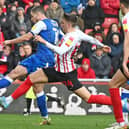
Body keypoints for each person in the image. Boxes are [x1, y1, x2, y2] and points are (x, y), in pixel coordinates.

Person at [0, 14, 114, 126]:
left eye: (63, 23)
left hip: (66, 74)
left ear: (68, 24)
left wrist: (44, 42)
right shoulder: (77, 33)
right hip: (57, 69)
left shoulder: (71, 37)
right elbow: (90, 39)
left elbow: (60, 51)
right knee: (32, 78)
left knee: (89, 98)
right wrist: (101, 45)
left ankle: (118, 102)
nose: (61, 26)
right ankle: (8, 100)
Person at [0, 6, 63, 125]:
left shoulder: (41, 23)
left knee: (36, 87)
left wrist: (9, 41)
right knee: (35, 87)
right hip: (42, 57)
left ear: (38, 14)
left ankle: (8, 101)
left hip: (43, 59)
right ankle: (45, 118)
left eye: (33, 17)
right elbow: (62, 38)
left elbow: (27, 36)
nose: (32, 19)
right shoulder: (54, 24)